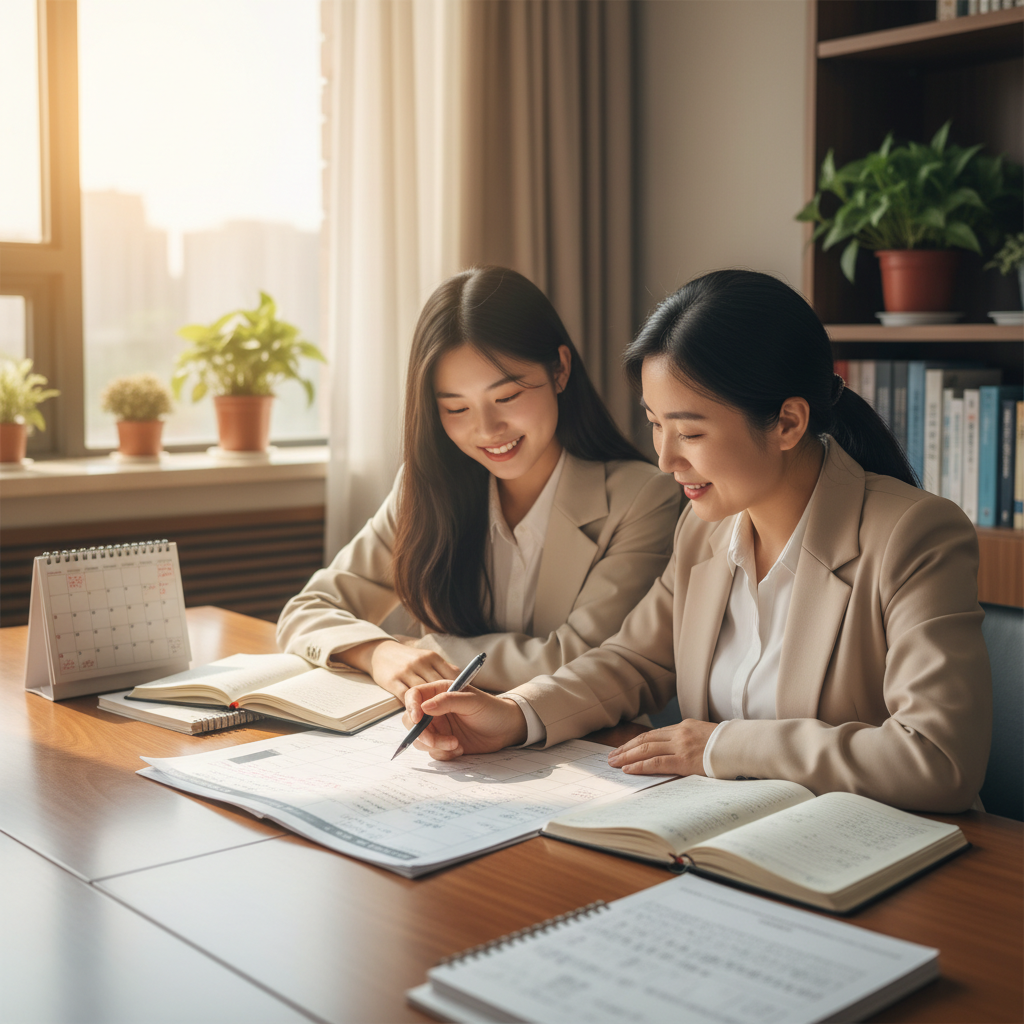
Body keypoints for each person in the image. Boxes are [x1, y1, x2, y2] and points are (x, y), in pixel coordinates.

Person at [402, 269, 992, 813]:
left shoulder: (914, 535)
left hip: (873, 856)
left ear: (787, 422)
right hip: (718, 835)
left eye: (689, 431)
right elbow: (635, 659)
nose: (664, 458)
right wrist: (514, 713)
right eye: (655, 425)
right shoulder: (705, 527)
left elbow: (937, 760)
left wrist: (723, 747)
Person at [277, 266, 681, 702]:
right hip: (452, 747)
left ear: (560, 369)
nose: (487, 429)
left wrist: (424, 650)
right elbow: (307, 610)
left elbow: (584, 659)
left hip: (588, 747)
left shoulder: (643, 497)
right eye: (456, 409)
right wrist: (378, 652)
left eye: (506, 397)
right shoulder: (426, 488)